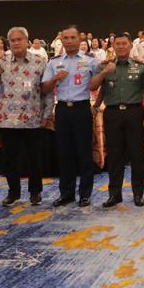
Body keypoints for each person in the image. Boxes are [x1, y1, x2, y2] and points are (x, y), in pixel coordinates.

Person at [0, 26, 50, 207]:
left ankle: (35, 192)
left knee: (34, 157)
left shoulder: (40, 61)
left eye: (19, 39)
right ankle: (13, 192)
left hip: (33, 117)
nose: (15, 43)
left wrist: (47, 112)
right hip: (8, 118)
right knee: (10, 158)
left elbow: (47, 91)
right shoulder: (2, 61)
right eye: (12, 40)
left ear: (27, 41)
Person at [91, 32, 144, 207]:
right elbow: (94, 86)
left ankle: (138, 194)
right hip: (112, 114)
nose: (120, 46)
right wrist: (104, 72)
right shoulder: (105, 66)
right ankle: (114, 194)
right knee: (115, 155)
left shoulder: (140, 67)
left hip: (135, 113)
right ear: (113, 46)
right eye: (117, 44)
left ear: (130, 46)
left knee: (136, 155)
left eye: (124, 43)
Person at [43, 24, 99, 207]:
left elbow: (97, 85)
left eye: (72, 37)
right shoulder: (54, 62)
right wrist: (55, 79)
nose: (69, 41)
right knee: (64, 153)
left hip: (82, 108)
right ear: (61, 40)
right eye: (65, 38)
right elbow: (45, 88)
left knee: (84, 151)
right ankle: (66, 193)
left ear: (79, 39)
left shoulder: (90, 61)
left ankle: (85, 193)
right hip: (62, 110)